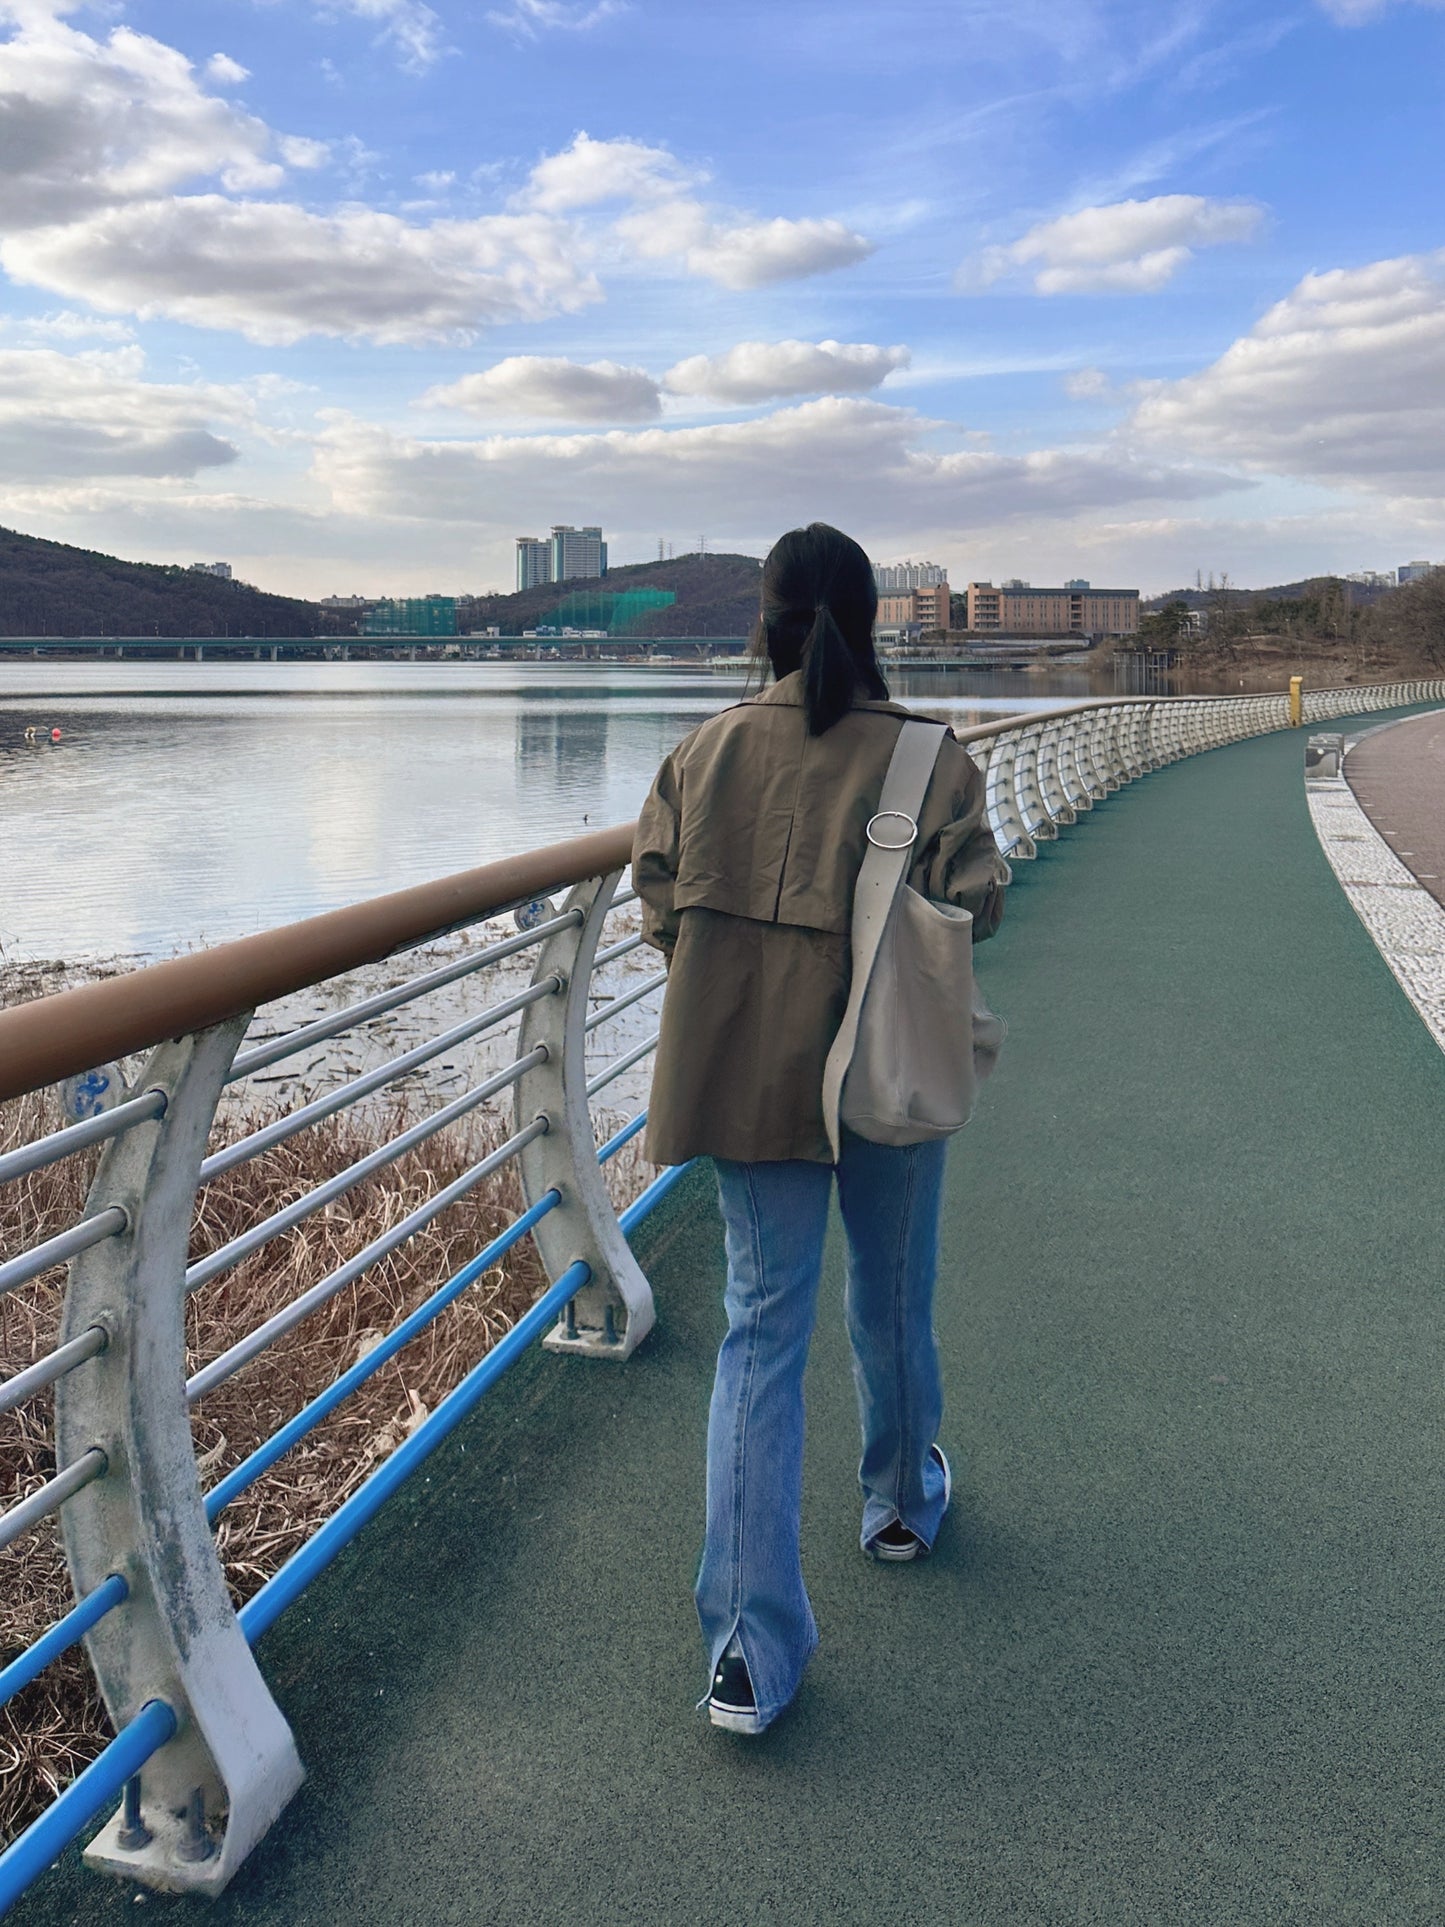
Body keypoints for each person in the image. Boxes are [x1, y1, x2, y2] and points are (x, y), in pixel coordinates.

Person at [632, 522, 1007, 1736]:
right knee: (891, 1289)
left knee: (757, 1332)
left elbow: (656, 903)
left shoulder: (701, 749)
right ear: (871, 618)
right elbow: (975, 902)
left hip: (740, 1070)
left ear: (767, 619)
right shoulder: (925, 756)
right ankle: (898, 1501)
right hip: (882, 1069)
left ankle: (746, 1650)